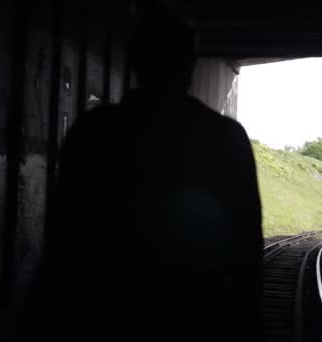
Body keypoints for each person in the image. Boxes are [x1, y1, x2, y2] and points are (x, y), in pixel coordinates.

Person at [26, 2, 263, 341]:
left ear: (135, 60)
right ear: (190, 65)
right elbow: (246, 254)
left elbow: (62, 239)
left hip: (103, 314)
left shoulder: (93, 132)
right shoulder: (226, 138)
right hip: (196, 317)